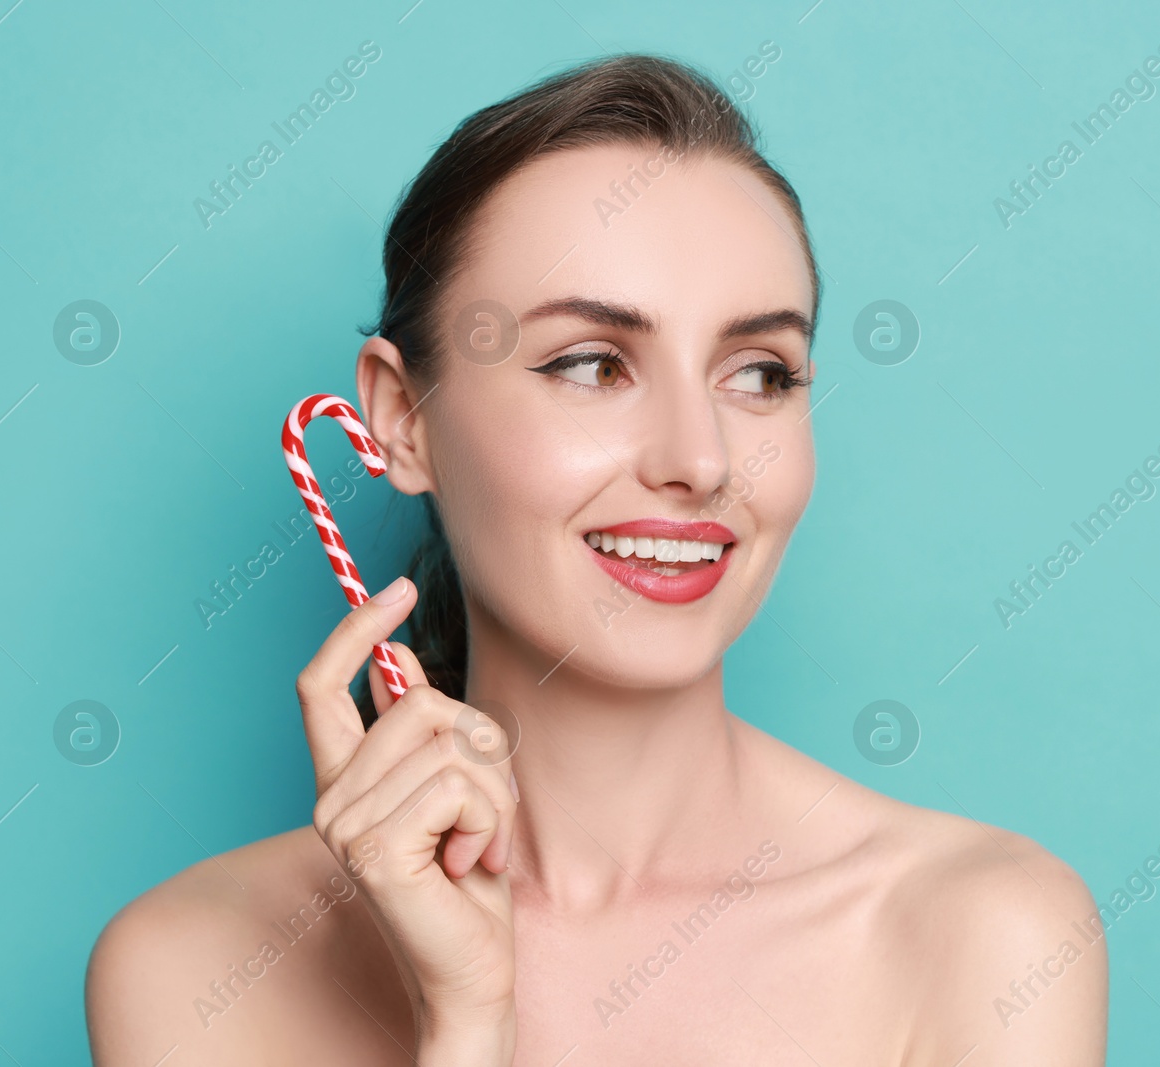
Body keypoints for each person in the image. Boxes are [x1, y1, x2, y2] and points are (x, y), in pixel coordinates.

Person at [86, 53, 1107, 1065]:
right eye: (590, 364)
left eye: (759, 372)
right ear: (401, 419)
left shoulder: (984, 935)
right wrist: (468, 1024)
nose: (700, 461)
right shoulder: (193, 969)